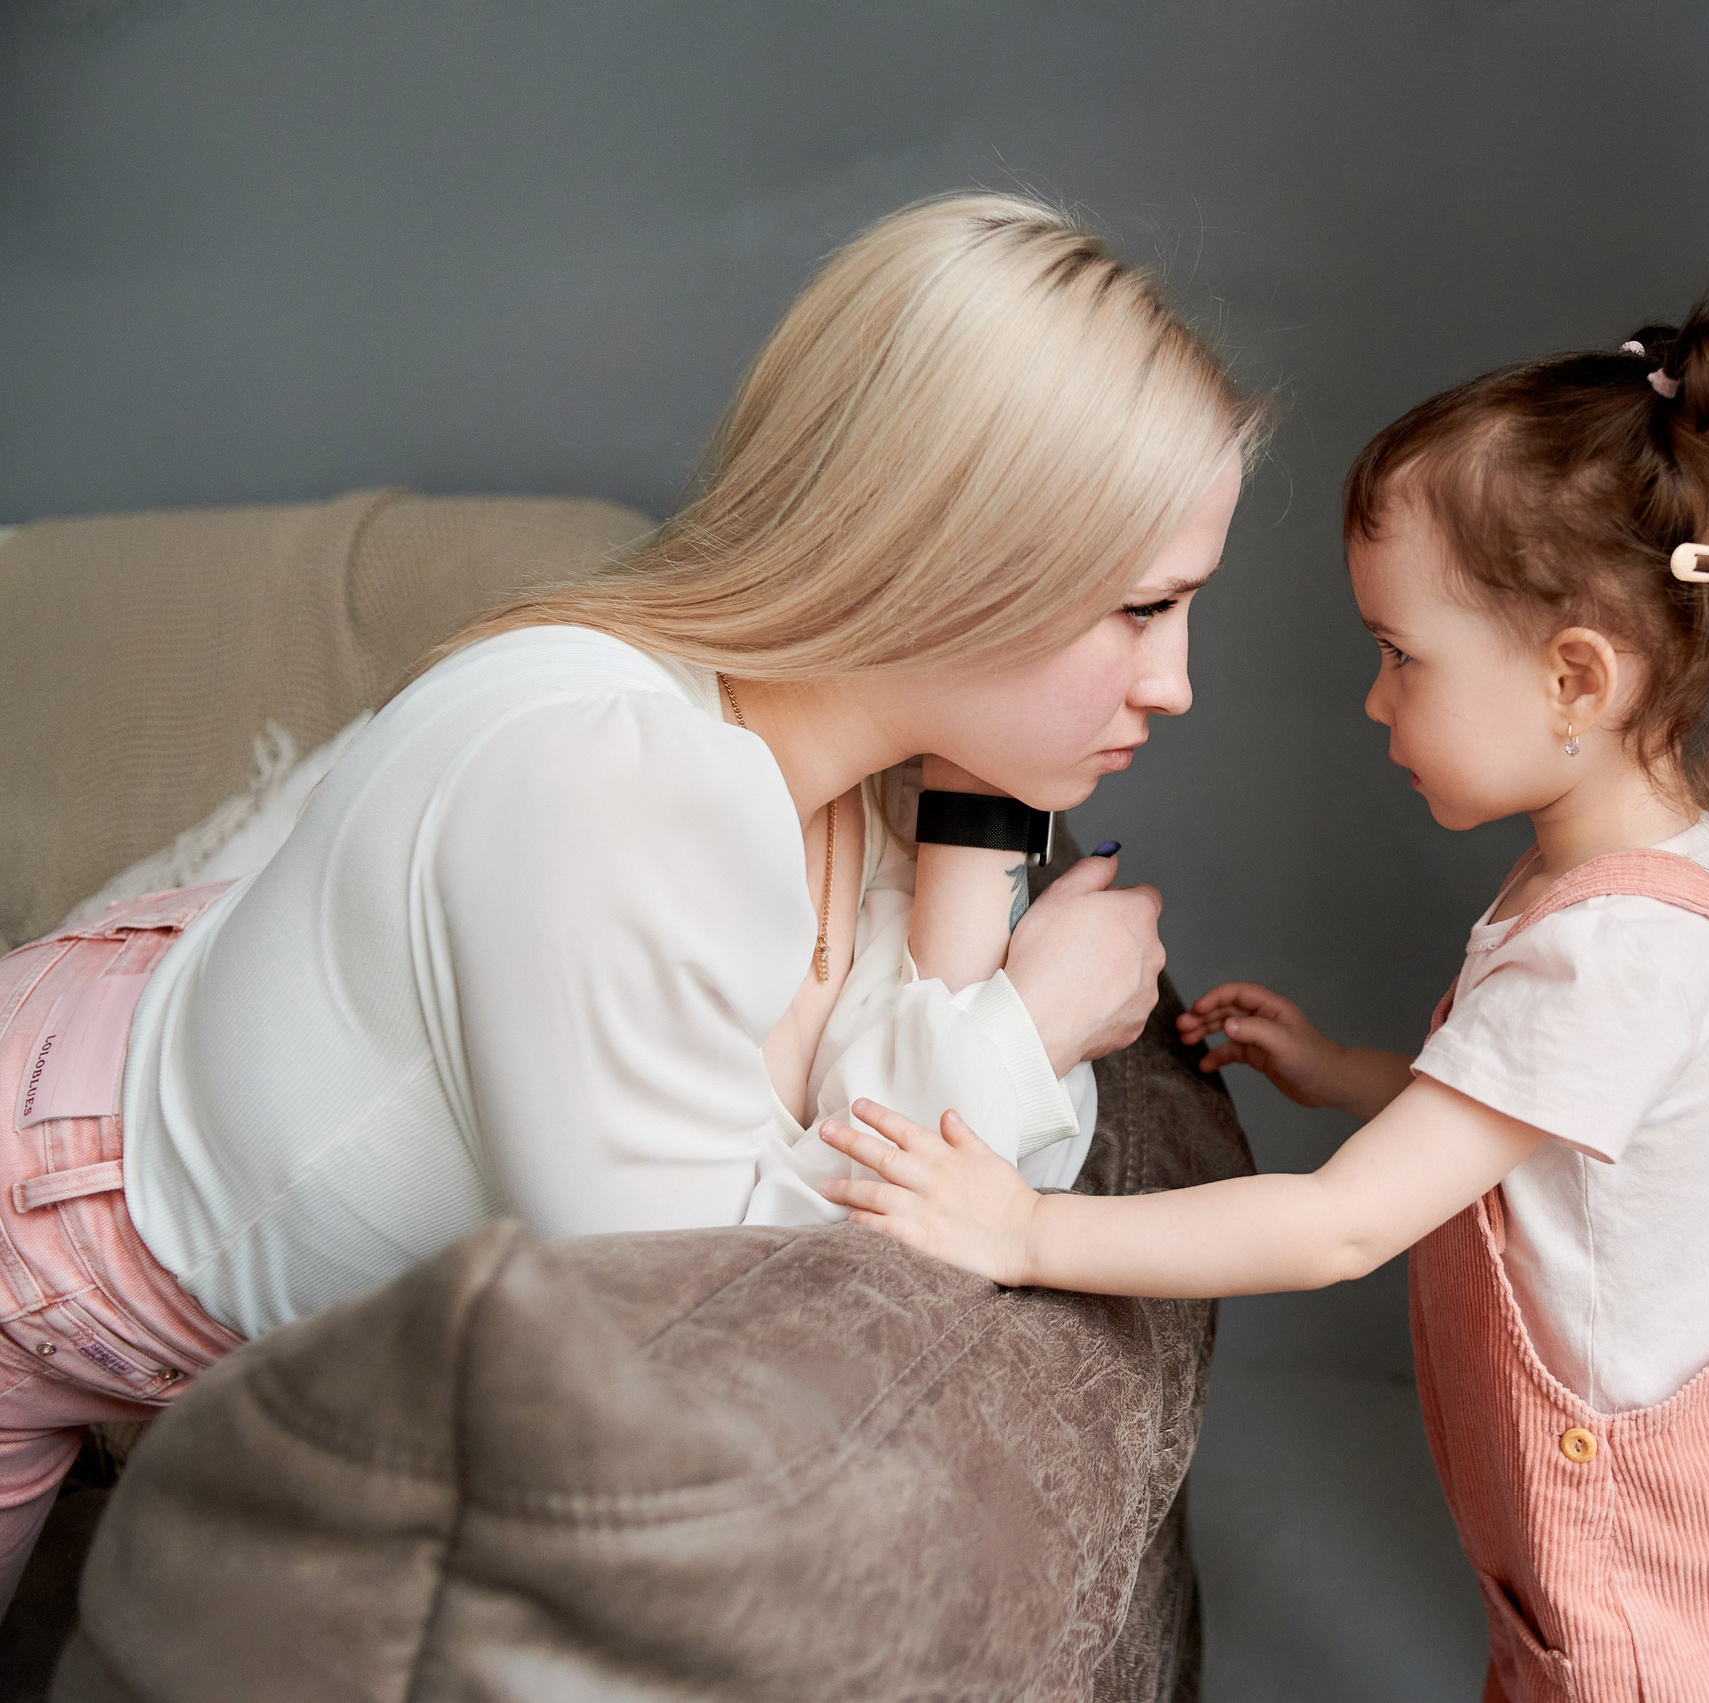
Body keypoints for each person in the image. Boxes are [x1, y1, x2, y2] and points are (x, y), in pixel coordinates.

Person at [0, 192, 1262, 1598]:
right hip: (42, 1208)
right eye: (1146, 608)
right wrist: (1024, 1027)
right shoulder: (616, 789)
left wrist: (978, 860)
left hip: (164, 1063)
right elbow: (697, 1349)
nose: (1177, 683)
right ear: (949, 558)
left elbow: (884, 1145)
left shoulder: (843, 765)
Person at [815, 301, 1709, 1700]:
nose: (1372, 704)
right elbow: (1542, 1128)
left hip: (1647, 1602)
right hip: (1633, 1571)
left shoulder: (1611, 951)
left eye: (1401, 658)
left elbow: (1342, 1226)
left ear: (1574, 679)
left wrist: (1025, 1227)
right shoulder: (1629, 878)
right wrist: (1351, 1068)